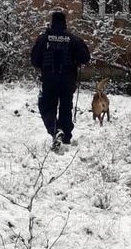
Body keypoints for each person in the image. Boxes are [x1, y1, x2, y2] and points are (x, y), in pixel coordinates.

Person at [30, 10, 90, 147]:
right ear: (64, 23)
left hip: (49, 78)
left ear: (52, 23)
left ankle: (54, 130)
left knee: (47, 107)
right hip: (67, 79)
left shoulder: (44, 38)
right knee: (65, 108)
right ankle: (66, 137)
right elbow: (85, 58)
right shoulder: (73, 39)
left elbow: (34, 60)